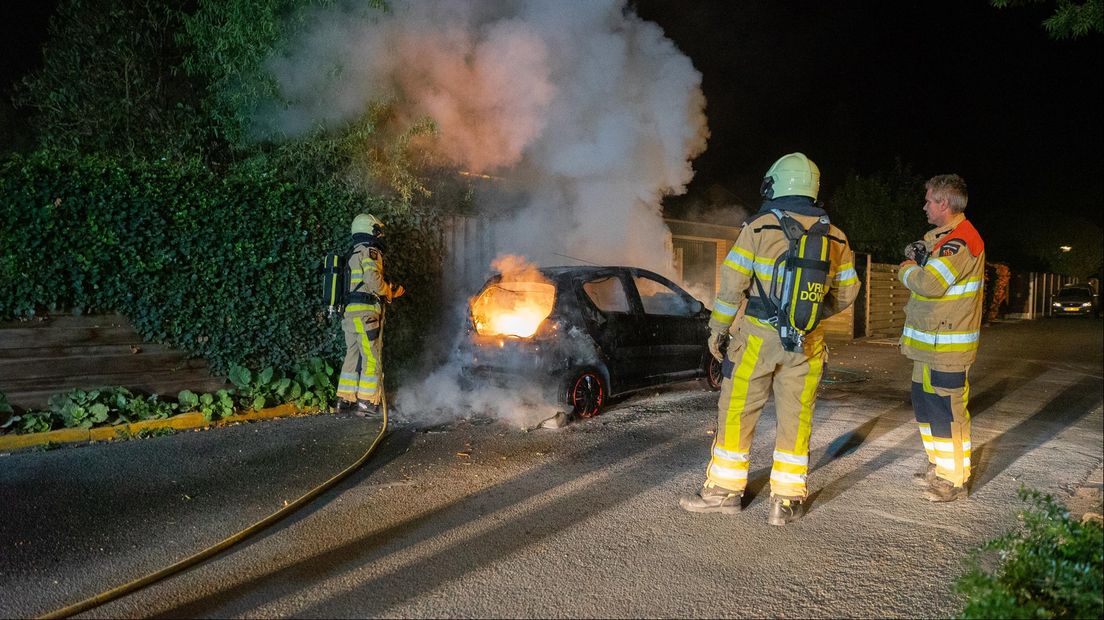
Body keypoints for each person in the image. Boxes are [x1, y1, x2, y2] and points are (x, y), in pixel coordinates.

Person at [679, 152, 860, 525]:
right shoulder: (836, 236)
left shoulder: (760, 228)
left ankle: (724, 492)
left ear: (777, 184)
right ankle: (787, 502)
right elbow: (847, 293)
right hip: (808, 342)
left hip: (758, 338)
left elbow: (732, 286)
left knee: (737, 411)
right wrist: (809, 317)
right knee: (797, 416)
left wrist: (718, 330)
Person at [898, 174, 984, 502]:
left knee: (947, 411)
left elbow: (931, 285)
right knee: (925, 406)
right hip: (930, 345)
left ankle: (953, 480)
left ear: (944, 203)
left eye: (929, 200)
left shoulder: (961, 239)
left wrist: (906, 268)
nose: (925, 206)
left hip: (947, 346)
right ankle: (938, 466)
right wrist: (924, 253)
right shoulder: (944, 238)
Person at [337, 213, 404, 416]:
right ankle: (366, 401)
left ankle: (344, 399)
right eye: (377, 231)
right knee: (371, 358)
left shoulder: (352, 253)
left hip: (350, 315)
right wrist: (391, 291)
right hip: (366, 314)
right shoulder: (370, 251)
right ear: (370, 230)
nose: (380, 235)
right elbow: (373, 279)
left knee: (352, 356)